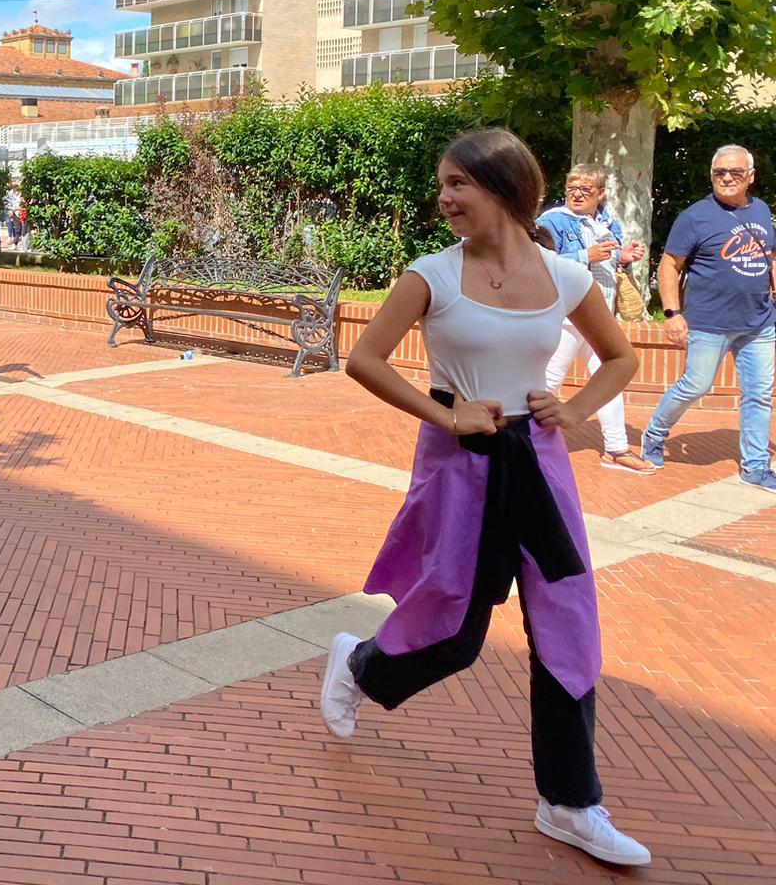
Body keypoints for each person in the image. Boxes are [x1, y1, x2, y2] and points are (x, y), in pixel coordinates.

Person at [322, 129, 650, 869]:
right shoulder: (430, 276)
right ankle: (361, 665)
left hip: (538, 465)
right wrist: (447, 413)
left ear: (504, 188)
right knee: (455, 630)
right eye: (442, 185)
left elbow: (622, 355)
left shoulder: (567, 276)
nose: (444, 198)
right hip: (460, 461)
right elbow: (363, 360)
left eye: (458, 184)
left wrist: (574, 409)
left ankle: (571, 803)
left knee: (568, 623)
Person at [641, 144, 776, 488]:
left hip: (759, 323)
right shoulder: (695, 216)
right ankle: (655, 435)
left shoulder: (760, 211)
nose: (727, 178)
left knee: (759, 394)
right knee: (695, 386)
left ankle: (756, 466)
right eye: (720, 173)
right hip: (709, 322)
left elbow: (770, 257)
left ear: (751, 177)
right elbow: (670, 266)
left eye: (735, 172)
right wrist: (672, 313)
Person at [537, 165, 654, 473]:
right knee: (547, 382)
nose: (576, 194)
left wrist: (624, 258)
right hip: (566, 315)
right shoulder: (551, 221)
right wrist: (583, 256)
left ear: (600, 194)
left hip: (600, 315)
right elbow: (537, 262)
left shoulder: (607, 221)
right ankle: (527, 442)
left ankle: (616, 450)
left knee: (609, 380)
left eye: (585, 190)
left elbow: (610, 263)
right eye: (572, 187)